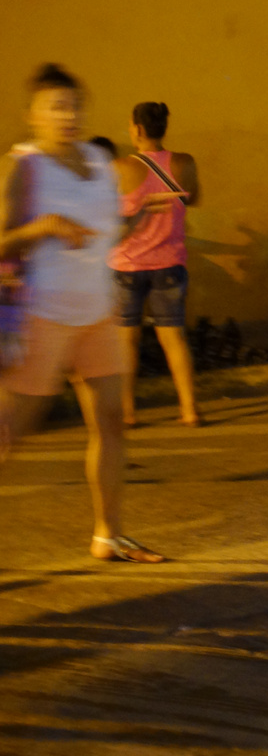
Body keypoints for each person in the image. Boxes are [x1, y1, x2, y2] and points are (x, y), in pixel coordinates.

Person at [0, 64, 166, 562]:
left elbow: (105, 233)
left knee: (111, 423)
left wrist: (138, 220)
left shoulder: (98, 159)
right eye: (55, 106)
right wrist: (42, 227)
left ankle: (108, 535)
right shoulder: (25, 167)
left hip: (97, 312)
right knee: (9, 435)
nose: (67, 115)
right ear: (33, 115)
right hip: (43, 315)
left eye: (74, 105)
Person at [109, 102, 203, 427]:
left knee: (125, 341)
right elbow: (195, 198)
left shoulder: (119, 167)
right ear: (163, 127)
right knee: (174, 339)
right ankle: (190, 410)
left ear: (136, 129)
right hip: (170, 264)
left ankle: (128, 413)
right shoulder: (184, 162)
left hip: (125, 265)